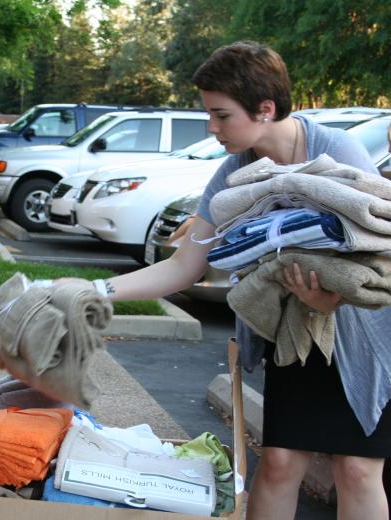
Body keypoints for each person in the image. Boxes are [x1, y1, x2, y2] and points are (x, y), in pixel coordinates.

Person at [75, 42, 391, 519]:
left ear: (265, 109)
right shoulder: (236, 170)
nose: (211, 127)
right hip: (297, 333)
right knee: (281, 462)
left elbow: (377, 250)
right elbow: (186, 265)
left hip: (364, 332)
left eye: (220, 115)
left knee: (357, 469)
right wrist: (94, 292)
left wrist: (331, 299)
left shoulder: (336, 151)